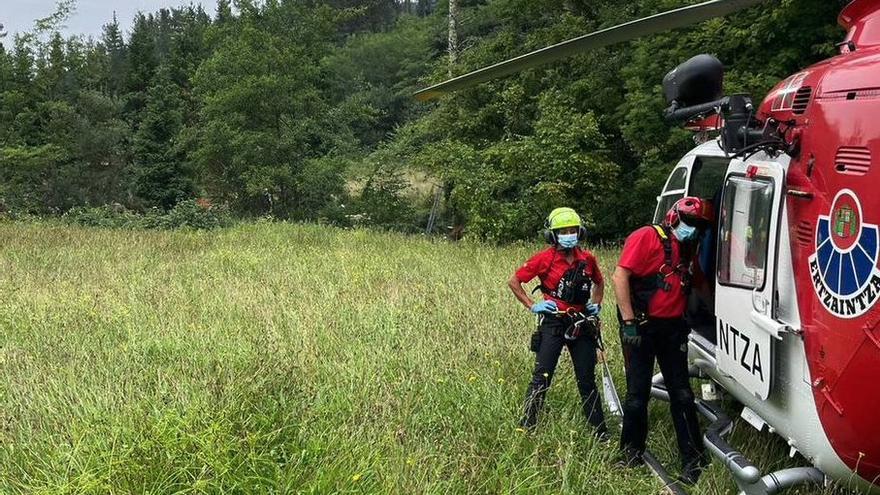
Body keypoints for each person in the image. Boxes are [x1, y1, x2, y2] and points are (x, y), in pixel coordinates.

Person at [612, 196, 714, 485]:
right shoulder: (646, 237)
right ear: (674, 218)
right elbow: (620, 277)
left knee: (682, 394)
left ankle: (693, 460)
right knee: (637, 394)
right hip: (641, 327)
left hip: (672, 328)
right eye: (689, 224)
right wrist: (629, 322)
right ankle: (630, 452)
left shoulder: (688, 248)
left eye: (697, 227)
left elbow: (696, 285)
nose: (691, 230)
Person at [508, 207, 607, 437]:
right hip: (553, 322)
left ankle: (600, 433)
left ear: (579, 232)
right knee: (542, 377)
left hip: (580, 323)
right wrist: (532, 305)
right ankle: (527, 426)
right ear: (553, 234)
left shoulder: (587, 259)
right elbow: (514, 281)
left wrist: (597, 303)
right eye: (563, 231)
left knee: (587, 380)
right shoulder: (544, 258)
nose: (568, 234)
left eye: (572, 230)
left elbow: (599, 283)